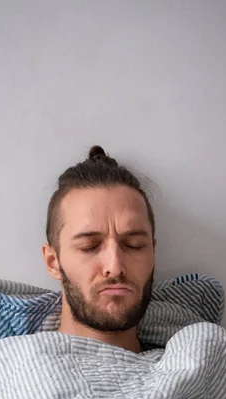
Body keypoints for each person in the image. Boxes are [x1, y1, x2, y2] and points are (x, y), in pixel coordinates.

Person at [42, 145, 156, 354]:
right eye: (89, 247)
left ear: (153, 252)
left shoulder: (198, 365)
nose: (115, 267)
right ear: (52, 261)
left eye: (134, 245)